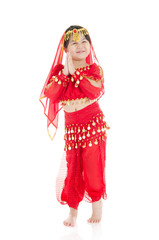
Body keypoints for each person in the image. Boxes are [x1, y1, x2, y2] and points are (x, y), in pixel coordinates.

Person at [39, 25, 110, 227]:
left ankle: (97, 207)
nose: (80, 46)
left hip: (92, 125)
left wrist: (76, 75)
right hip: (72, 130)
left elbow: (93, 91)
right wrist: (65, 73)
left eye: (84, 42)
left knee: (93, 166)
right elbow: (51, 94)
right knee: (73, 169)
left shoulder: (94, 70)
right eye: (74, 43)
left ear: (90, 46)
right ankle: (72, 212)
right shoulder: (60, 72)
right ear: (66, 49)